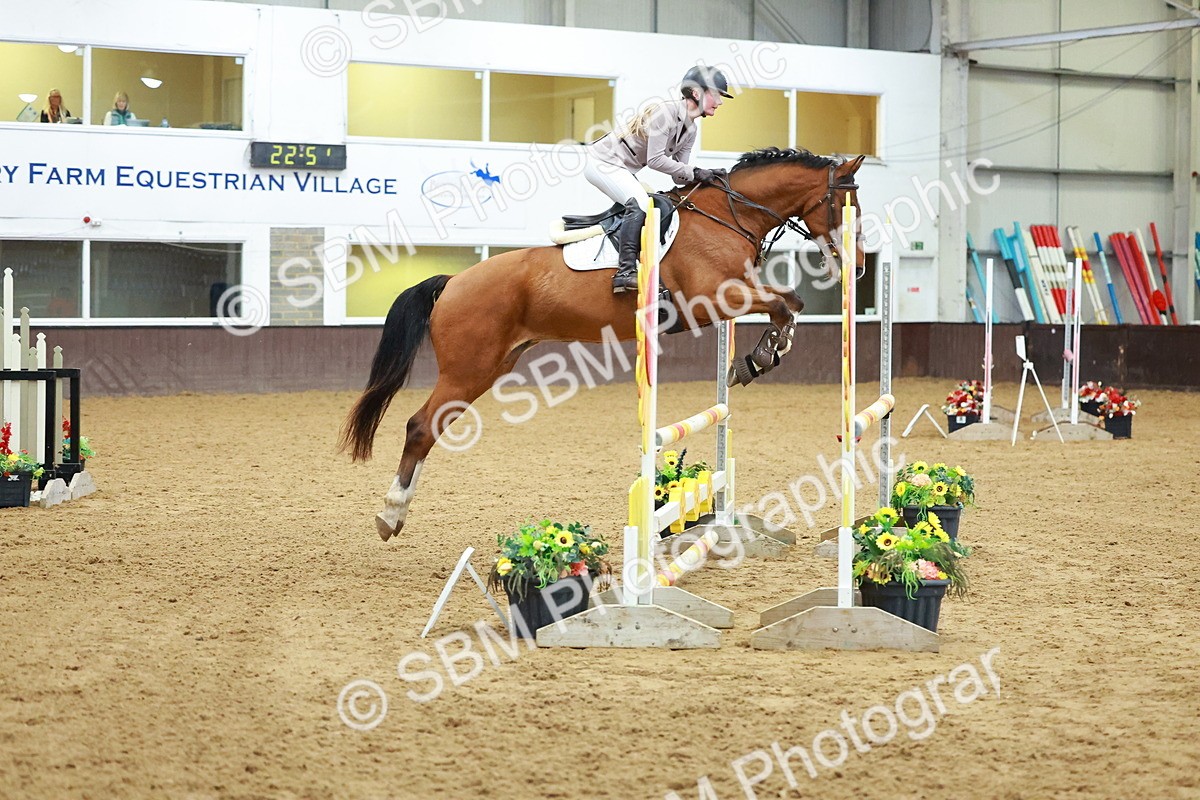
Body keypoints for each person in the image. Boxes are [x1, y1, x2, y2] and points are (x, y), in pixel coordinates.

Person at [586, 66, 733, 293]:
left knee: (652, 205)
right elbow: (655, 160)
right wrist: (695, 171)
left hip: (623, 169)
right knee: (642, 205)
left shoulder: (691, 130)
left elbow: (679, 175)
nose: (720, 102)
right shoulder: (665, 114)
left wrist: (706, 176)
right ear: (696, 93)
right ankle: (624, 273)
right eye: (717, 95)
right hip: (603, 163)